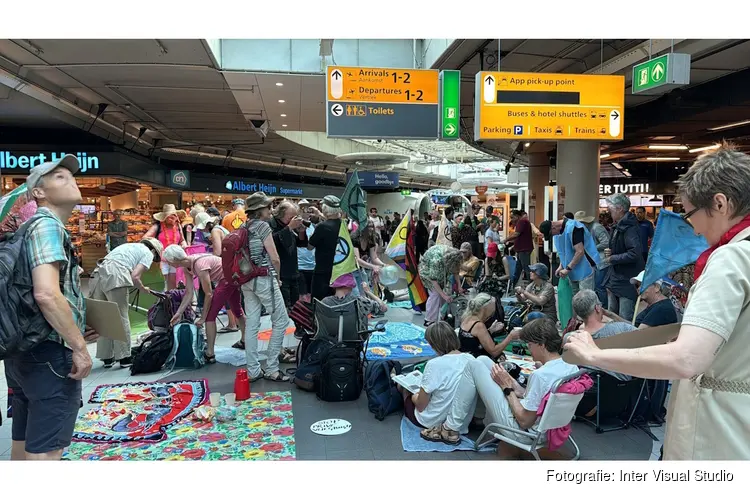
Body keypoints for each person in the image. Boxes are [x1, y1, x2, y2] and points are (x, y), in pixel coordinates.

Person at [564, 145, 750, 460]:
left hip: (716, 433)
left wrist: (594, 354)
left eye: (691, 214)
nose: (693, 227)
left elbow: (686, 360)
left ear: (720, 203)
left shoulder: (730, 259)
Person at [4, 155, 91, 461]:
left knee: (25, 438)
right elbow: (46, 294)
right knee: (47, 452)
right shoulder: (47, 226)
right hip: (49, 350)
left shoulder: (28, 227)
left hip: (23, 349)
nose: (71, 180)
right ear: (38, 192)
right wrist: (79, 347)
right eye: (59, 177)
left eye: (71, 175)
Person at [435, 318, 579, 445]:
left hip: (525, 433)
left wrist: (507, 389)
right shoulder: (571, 367)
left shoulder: (540, 375)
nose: (529, 349)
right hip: (549, 427)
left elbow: (524, 421)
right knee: (483, 360)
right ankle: (475, 420)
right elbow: (545, 399)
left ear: (541, 344)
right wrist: (519, 390)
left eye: (529, 345)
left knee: (474, 364)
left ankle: (450, 428)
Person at [162, 245, 246, 364]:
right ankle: (244, 340)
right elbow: (189, 292)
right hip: (231, 277)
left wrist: (202, 318)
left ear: (174, 260)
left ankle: (210, 353)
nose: (169, 264)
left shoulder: (199, 265)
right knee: (237, 310)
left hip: (226, 280)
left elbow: (208, 294)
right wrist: (178, 313)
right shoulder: (188, 266)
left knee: (210, 317)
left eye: (169, 262)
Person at [394, 322, 475, 442]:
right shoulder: (471, 360)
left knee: (404, 387)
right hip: (461, 424)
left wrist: (414, 395)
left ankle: (394, 379)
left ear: (435, 344)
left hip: (430, 420)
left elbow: (421, 406)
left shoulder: (434, 364)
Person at [240, 192, 291, 382]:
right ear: (259, 210)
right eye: (268, 207)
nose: (271, 210)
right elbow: (275, 257)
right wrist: (277, 277)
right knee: (281, 320)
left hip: (246, 280)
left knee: (252, 325)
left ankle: (253, 370)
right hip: (263, 277)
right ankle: (272, 368)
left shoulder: (244, 227)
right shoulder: (262, 226)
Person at [92, 237, 164, 368]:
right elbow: (135, 276)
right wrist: (143, 288)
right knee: (121, 316)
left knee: (103, 317)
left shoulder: (129, 246)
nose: (152, 260)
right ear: (153, 250)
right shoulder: (147, 252)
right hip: (115, 275)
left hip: (97, 274)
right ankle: (125, 357)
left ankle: (107, 357)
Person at [569, 290, 635, 380]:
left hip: (590, 390)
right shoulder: (622, 329)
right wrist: (612, 316)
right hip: (624, 389)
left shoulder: (571, 340)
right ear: (597, 308)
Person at [193, 211, 240, 333]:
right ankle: (235, 323)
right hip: (233, 265)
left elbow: (218, 253)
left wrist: (206, 261)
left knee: (226, 295)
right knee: (233, 298)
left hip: (226, 267)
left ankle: (232, 323)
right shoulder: (220, 229)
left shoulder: (214, 232)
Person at [601, 193, 644, 322]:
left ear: (619, 208)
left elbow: (634, 253)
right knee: (613, 317)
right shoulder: (621, 225)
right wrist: (613, 251)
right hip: (619, 278)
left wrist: (613, 258)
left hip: (626, 279)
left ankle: (624, 341)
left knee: (623, 318)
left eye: (610, 208)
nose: (608, 211)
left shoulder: (628, 227)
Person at [539, 214, 600, 295]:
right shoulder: (558, 233)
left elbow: (580, 251)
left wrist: (567, 268)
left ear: (553, 227)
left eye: (551, 234)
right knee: (575, 298)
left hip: (585, 266)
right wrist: (561, 266)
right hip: (572, 269)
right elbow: (564, 252)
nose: (553, 236)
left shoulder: (573, 227)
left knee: (585, 298)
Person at [605, 271, 678, 329]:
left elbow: (637, 333)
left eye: (643, 285)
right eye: (637, 286)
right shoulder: (654, 306)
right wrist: (610, 315)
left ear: (657, 287)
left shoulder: (661, 308)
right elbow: (633, 325)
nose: (639, 289)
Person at [268, 201, 308, 308]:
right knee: (283, 305)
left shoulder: (288, 225)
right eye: (290, 217)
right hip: (280, 273)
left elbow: (301, 244)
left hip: (293, 271)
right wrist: (289, 227)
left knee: (295, 306)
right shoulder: (271, 224)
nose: (292, 220)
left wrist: (301, 232)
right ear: (280, 214)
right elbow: (273, 241)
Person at [459, 293, 519, 359]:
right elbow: (494, 352)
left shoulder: (466, 317)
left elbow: (472, 340)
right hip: (475, 360)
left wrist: (490, 330)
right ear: (486, 309)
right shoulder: (479, 325)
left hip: (466, 357)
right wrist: (510, 337)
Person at [418, 244, 464, 327]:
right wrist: (444, 296)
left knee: (443, 294)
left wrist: (459, 286)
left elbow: (456, 270)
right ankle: (429, 320)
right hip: (427, 270)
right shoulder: (437, 261)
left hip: (441, 270)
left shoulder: (454, 256)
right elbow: (433, 280)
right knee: (435, 294)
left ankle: (443, 315)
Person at [144, 203, 187, 291]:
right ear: (164, 217)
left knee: (173, 281)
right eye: (169, 216)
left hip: (175, 258)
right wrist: (157, 247)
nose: (172, 218)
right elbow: (145, 238)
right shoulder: (158, 226)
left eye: (174, 216)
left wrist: (184, 245)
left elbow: (182, 240)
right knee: (162, 282)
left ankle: (171, 300)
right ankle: (161, 300)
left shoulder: (178, 226)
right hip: (162, 258)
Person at [321, 273, 387, 327]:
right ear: (349, 286)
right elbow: (383, 308)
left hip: (330, 339)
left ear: (335, 287)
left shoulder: (324, 302)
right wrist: (368, 292)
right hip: (355, 339)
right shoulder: (359, 301)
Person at [575, 211, 610, 307]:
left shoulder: (596, 228)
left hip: (602, 262)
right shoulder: (585, 229)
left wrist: (592, 247)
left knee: (600, 287)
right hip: (594, 261)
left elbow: (607, 242)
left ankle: (604, 308)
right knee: (595, 286)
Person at [309, 195, 341, 301]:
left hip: (322, 270)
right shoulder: (343, 225)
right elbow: (332, 221)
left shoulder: (322, 227)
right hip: (338, 269)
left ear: (325, 209)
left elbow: (310, 246)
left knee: (319, 301)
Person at [352, 220, 386, 295]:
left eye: (372, 226)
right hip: (350, 271)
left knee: (365, 293)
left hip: (360, 270)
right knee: (356, 294)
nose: (371, 229)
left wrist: (384, 265)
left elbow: (374, 258)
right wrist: (373, 267)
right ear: (362, 228)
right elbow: (357, 260)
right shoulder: (354, 238)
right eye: (368, 226)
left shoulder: (370, 240)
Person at [505, 210, 534, 282]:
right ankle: (513, 284)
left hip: (524, 249)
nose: (511, 219)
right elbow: (519, 237)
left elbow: (516, 234)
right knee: (518, 268)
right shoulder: (523, 222)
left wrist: (505, 240)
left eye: (512, 217)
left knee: (526, 267)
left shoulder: (521, 222)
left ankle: (532, 285)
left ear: (517, 216)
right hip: (521, 249)